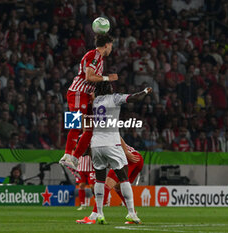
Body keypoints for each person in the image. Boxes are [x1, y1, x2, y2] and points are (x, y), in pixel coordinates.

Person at [88, 81, 152, 224]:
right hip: (112, 143)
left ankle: (98, 214)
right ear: (108, 89)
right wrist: (145, 92)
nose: (112, 87)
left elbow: (89, 95)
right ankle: (131, 213)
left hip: (96, 144)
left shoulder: (95, 101)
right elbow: (134, 98)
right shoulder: (115, 98)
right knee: (123, 179)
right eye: (110, 86)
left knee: (99, 179)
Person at [60, 33, 118, 171]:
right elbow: (89, 76)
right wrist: (107, 78)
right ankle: (67, 155)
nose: (111, 48)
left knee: (90, 129)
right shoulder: (95, 55)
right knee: (76, 124)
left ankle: (74, 158)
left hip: (86, 94)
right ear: (106, 45)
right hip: (78, 92)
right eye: (111, 45)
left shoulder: (99, 58)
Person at [76, 139, 144, 224]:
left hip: (129, 157)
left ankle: (93, 216)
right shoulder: (97, 144)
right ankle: (133, 214)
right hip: (137, 157)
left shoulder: (98, 142)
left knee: (107, 186)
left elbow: (118, 137)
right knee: (118, 186)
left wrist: (126, 152)